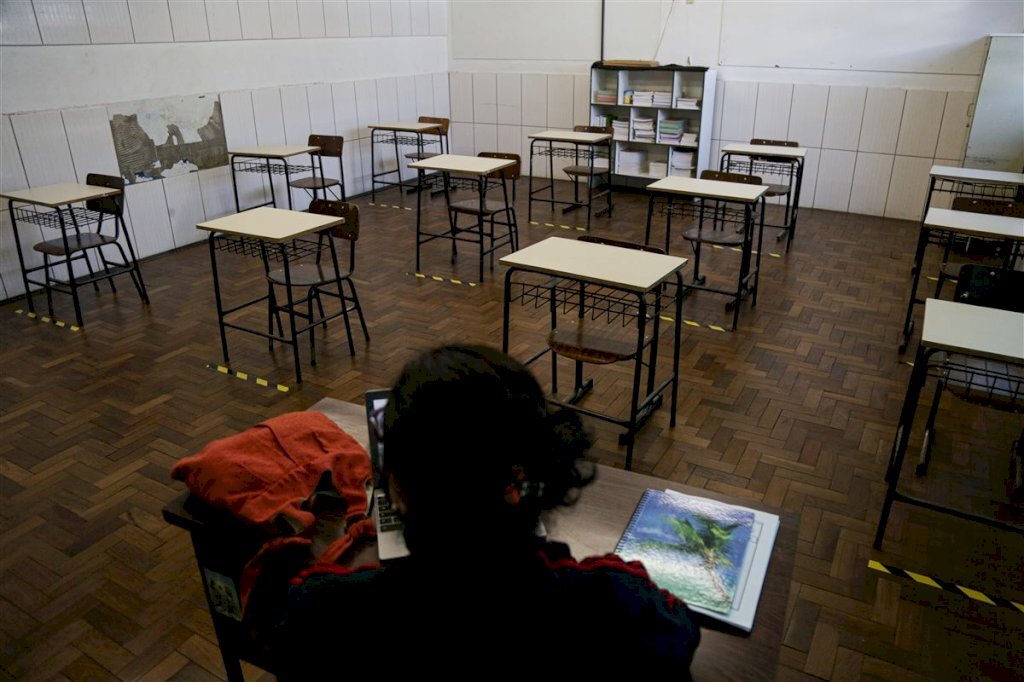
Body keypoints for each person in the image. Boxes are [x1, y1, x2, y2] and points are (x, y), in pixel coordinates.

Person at [271, 344, 700, 676]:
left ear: (395, 488)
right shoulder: (616, 607)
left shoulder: (323, 614)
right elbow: (678, 628)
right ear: (527, 481)